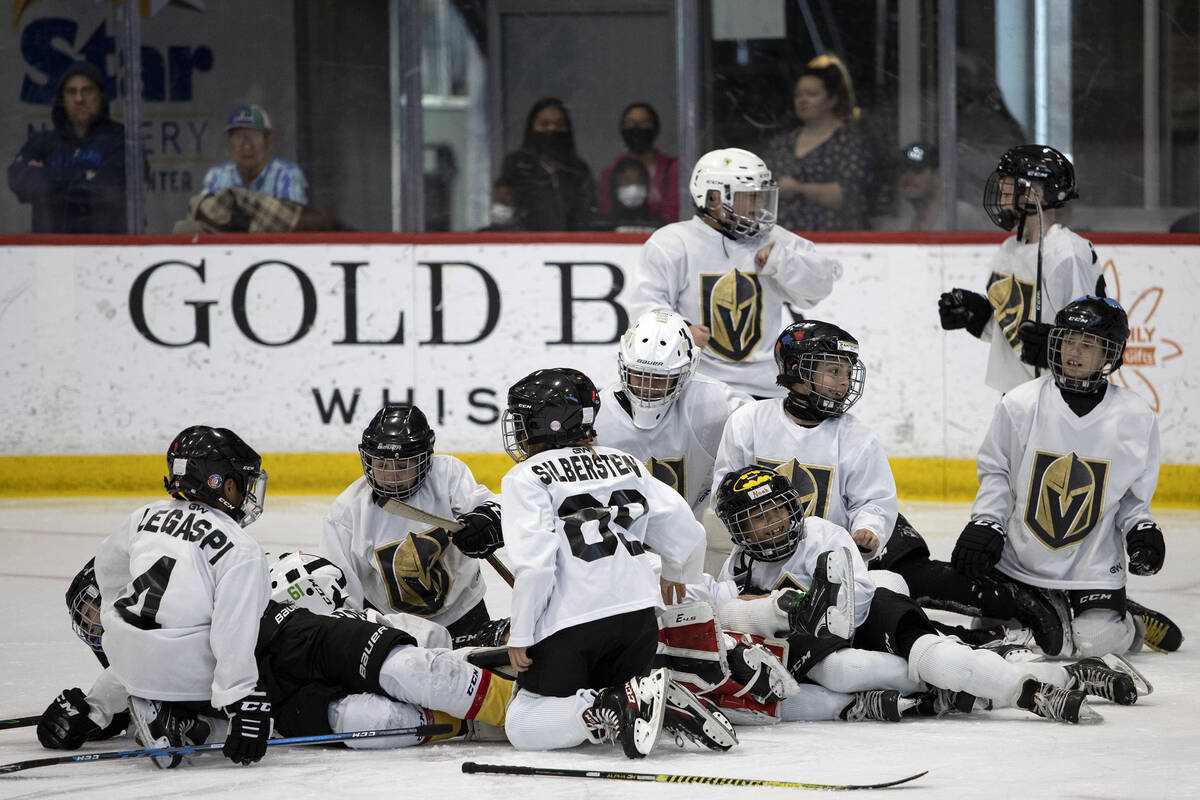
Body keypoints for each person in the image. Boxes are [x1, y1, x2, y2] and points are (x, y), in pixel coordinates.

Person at [710, 319, 1068, 653]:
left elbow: (874, 501)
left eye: (848, 373)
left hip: (844, 550)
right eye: (833, 371)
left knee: (914, 575)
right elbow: (724, 493)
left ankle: (1015, 600)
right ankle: (976, 639)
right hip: (775, 555)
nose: (844, 382)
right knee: (879, 617)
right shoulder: (748, 423)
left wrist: (868, 529)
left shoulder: (855, 435)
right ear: (796, 370)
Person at [697, 467, 1146, 724]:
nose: (773, 524)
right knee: (842, 674)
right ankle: (964, 692)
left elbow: (850, 609)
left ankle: (1034, 690)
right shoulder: (735, 568)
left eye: (776, 510)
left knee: (938, 660)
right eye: (758, 520)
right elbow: (726, 619)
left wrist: (786, 611)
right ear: (739, 529)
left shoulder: (821, 534)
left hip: (870, 614)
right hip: (828, 653)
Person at [38, 551, 515, 759]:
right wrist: (85, 717)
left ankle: (505, 691)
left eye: (100, 609)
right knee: (374, 725)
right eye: (91, 616)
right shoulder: (137, 663)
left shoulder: (168, 607)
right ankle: (492, 718)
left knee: (415, 665)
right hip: (275, 694)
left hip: (289, 639)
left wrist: (97, 710)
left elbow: (119, 682)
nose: (97, 626)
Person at [498, 367, 733, 757]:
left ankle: (610, 705)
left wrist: (522, 633)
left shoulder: (526, 476)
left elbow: (537, 565)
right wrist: (677, 570)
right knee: (612, 686)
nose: (519, 431)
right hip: (638, 622)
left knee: (523, 723)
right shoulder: (622, 461)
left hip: (573, 624)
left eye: (524, 419)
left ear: (547, 423)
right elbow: (683, 524)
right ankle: (644, 699)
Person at [951, 297, 1179, 659]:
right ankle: (1056, 606)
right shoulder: (1021, 403)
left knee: (1091, 644)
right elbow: (997, 472)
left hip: (1093, 566)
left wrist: (1142, 530)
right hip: (1021, 560)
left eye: (1088, 345)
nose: (1074, 352)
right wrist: (987, 522)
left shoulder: (1135, 417)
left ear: (1110, 354)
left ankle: (1130, 625)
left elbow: (1133, 500)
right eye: (1068, 340)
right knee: (1006, 637)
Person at [92, 425, 273, 768]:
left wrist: (115, 624)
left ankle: (154, 709)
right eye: (241, 482)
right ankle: (173, 710)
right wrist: (242, 699)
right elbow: (233, 631)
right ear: (222, 483)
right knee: (269, 696)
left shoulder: (143, 516)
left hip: (121, 657)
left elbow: (107, 570)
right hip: (182, 671)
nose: (246, 492)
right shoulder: (241, 548)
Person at [630, 147, 842, 399]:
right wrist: (681, 332)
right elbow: (646, 306)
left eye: (761, 197)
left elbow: (820, 287)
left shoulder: (776, 241)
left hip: (767, 386)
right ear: (715, 198)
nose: (758, 206)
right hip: (697, 384)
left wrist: (783, 262)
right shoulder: (672, 242)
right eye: (749, 197)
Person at [320, 403, 505, 641]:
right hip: (395, 625)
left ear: (426, 459)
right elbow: (341, 590)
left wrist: (485, 522)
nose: (391, 476)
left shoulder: (447, 475)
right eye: (382, 464)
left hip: (464, 613)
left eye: (403, 465)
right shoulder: (347, 513)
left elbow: (494, 507)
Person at [937, 144, 1103, 394]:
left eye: (1006, 192)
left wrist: (1054, 352)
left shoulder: (1066, 254)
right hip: (1014, 398)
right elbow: (1016, 333)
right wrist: (977, 316)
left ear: (1032, 193)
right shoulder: (1009, 249)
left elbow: (1094, 335)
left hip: (1055, 397)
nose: (1001, 201)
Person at [7, 61, 131, 233]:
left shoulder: (120, 139)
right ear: (62, 99)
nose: (79, 99)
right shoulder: (44, 142)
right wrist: (85, 178)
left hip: (107, 250)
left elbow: (109, 188)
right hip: (50, 252)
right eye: (71, 92)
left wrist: (48, 178)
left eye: (87, 90)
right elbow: (18, 180)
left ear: (100, 96)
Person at [760, 54, 874, 231]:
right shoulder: (782, 143)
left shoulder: (849, 142)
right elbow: (759, 192)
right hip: (781, 244)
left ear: (832, 99)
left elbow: (851, 195)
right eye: (798, 95)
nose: (802, 100)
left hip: (834, 243)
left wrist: (799, 188)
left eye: (812, 94)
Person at [496, 97, 596, 230]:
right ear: (532, 128)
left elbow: (586, 215)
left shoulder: (578, 170)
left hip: (570, 245)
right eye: (544, 124)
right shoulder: (516, 164)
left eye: (559, 124)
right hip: (526, 244)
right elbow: (504, 212)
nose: (552, 129)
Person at [202, 104, 308, 204]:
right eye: (238, 137)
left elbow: (292, 218)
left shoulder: (287, 174)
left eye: (254, 137)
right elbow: (202, 215)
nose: (246, 146)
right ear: (230, 142)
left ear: (270, 141)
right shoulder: (217, 174)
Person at [596, 102, 679, 224]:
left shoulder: (673, 169)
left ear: (655, 128)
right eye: (630, 123)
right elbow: (606, 211)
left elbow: (675, 214)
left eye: (644, 123)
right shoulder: (611, 172)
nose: (636, 128)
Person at [879, 141, 992, 231]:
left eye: (917, 170)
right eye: (903, 170)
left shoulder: (962, 216)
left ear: (937, 176)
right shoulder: (905, 225)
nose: (907, 177)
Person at [595, 157, 667, 232]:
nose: (634, 186)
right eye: (627, 180)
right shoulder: (604, 225)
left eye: (639, 180)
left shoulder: (658, 225)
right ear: (615, 185)